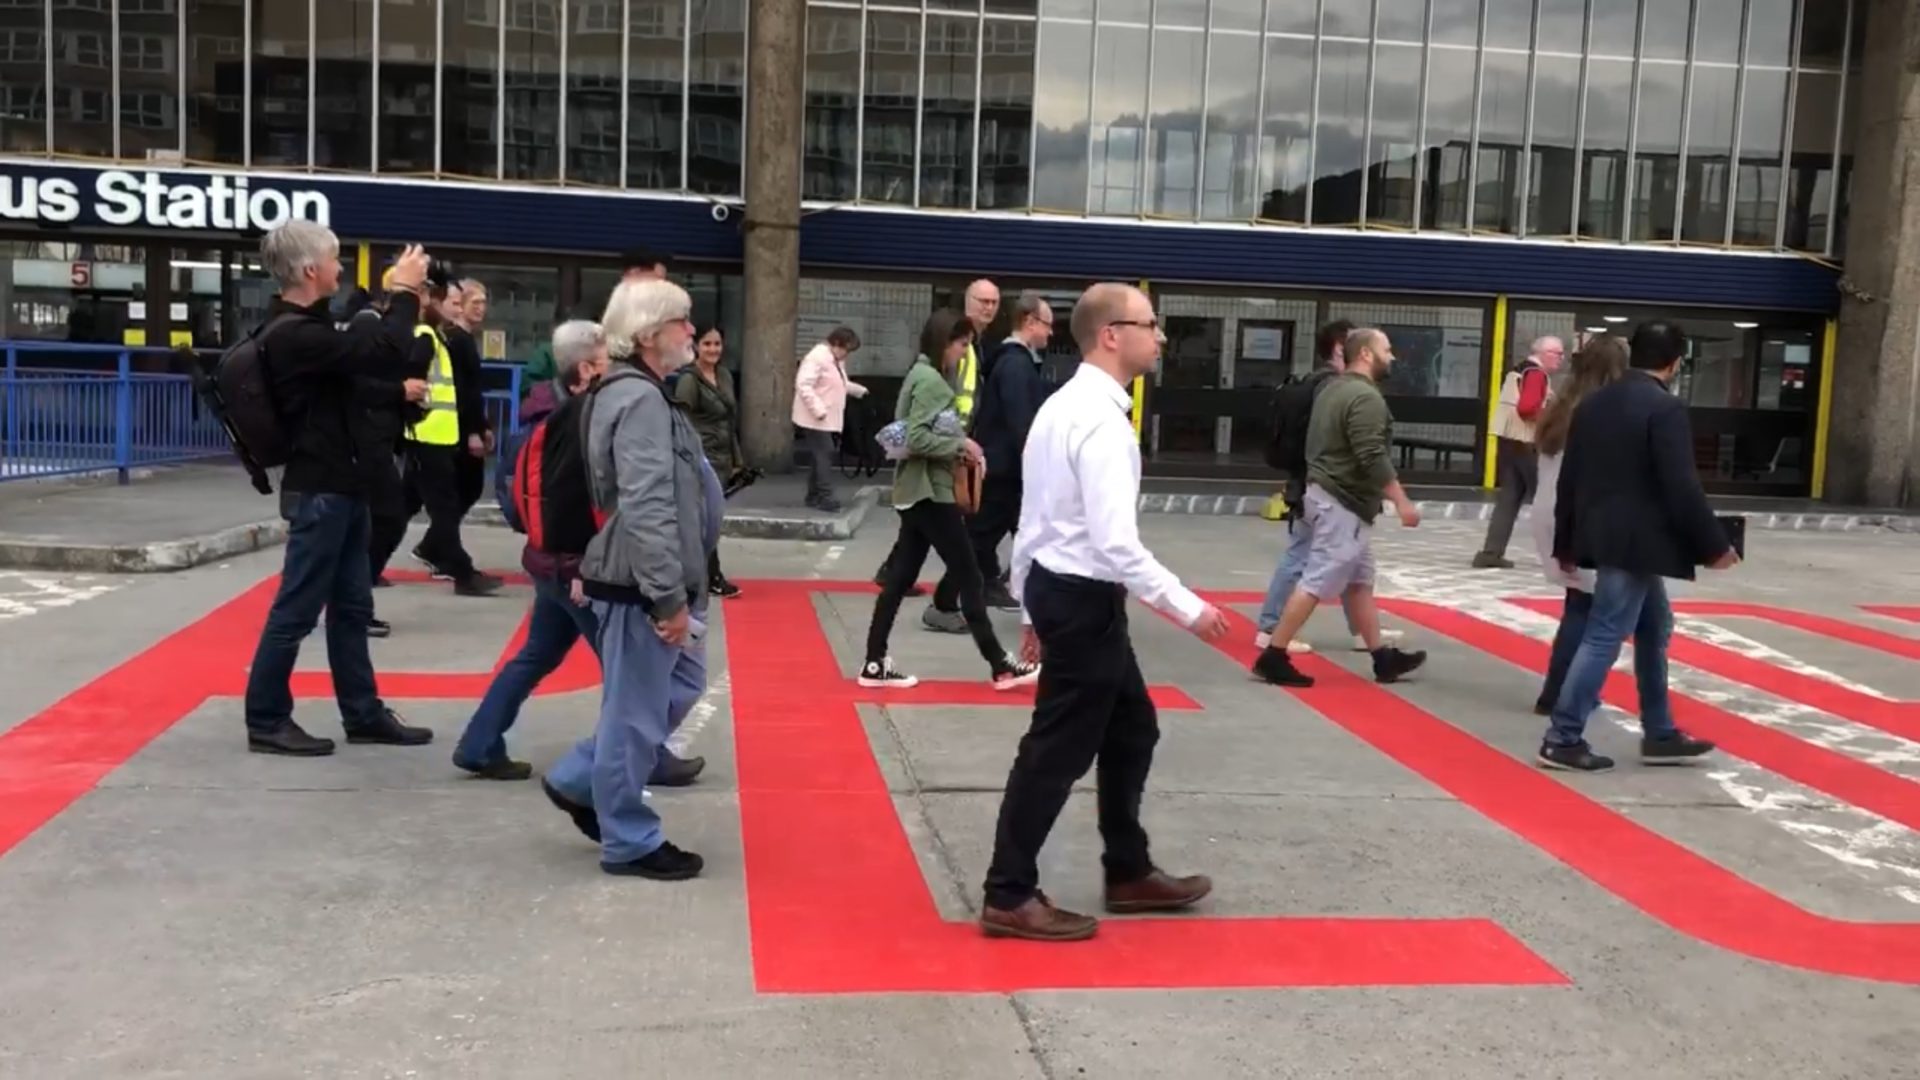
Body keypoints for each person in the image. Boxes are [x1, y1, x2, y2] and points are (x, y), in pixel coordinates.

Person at [978, 283, 1228, 942]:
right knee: (1056, 751)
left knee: (1131, 729)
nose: (1161, 336)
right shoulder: (1100, 423)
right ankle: (1009, 891)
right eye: (1150, 325)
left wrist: (1030, 602)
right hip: (1084, 600)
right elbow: (1116, 544)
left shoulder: (1063, 407)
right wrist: (1189, 608)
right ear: (1111, 335)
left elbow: (1035, 519)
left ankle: (1128, 869)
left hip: (1068, 595)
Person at [455, 320, 707, 785]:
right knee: (631, 672)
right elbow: (593, 502)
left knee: (536, 655)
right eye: (609, 360)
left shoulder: (535, 417)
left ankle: (479, 742)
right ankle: (643, 755)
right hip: (580, 569)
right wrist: (582, 564)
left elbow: (513, 500)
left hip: (546, 560)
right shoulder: (583, 419)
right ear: (587, 368)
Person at [541, 279, 716, 879]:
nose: (692, 332)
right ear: (648, 334)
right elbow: (644, 504)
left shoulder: (637, 391)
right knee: (635, 715)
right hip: (645, 585)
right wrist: (666, 596)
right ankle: (630, 839)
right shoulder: (637, 398)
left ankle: (578, 780)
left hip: (656, 581)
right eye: (683, 321)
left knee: (673, 689)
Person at [241, 222, 434, 757]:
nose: (341, 267)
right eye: (333, 259)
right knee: (296, 610)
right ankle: (266, 719)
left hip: (345, 486)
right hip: (321, 488)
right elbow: (385, 351)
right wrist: (404, 292)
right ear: (310, 271)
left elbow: (366, 370)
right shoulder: (295, 335)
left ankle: (364, 713)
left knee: (351, 607)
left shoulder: (312, 328)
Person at [1540, 322, 1733, 773]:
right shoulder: (1664, 409)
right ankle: (1563, 736)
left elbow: (1572, 479)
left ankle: (1660, 732)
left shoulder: (1592, 404)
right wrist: (1714, 546)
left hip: (1604, 536)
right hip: (1639, 543)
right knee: (1605, 633)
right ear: (1675, 362)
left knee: (1654, 626)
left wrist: (1566, 539)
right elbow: (1681, 485)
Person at [858, 310, 1041, 692]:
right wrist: (961, 444)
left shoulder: (919, 374)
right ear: (945, 342)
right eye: (962, 344)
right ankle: (1000, 664)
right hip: (931, 492)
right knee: (970, 575)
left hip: (916, 491)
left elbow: (911, 434)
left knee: (901, 579)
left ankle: (875, 662)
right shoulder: (934, 383)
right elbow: (920, 439)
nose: (965, 352)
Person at [1249, 328, 1428, 688]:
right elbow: (1371, 455)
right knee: (1317, 579)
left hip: (1325, 494)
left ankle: (1382, 658)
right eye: (1387, 349)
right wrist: (1402, 501)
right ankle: (1274, 654)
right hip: (1342, 502)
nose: (1392, 357)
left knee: (1360, 580)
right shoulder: (1365, 398)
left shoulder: (1332, 389)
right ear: (1365, 354)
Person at [928, 291, 1054, 620]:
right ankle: (943, 603)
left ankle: (1017, 594)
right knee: (977, 540)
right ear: (1029, 322)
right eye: (1047, 324)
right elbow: (1020, 422)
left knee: (1011, 538)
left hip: (1005, 469)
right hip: (1004, 472)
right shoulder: (1015, 364)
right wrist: (1038, 465)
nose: (1051, 332)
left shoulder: (1013, 361)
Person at [875, 279, 1002, 593]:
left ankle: (896, 579)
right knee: (949, 535)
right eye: (981, 301)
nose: (988, 308)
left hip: (948, 446)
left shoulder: (974, 345)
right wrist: (959, 440)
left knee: (919, 531)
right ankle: (944, 601)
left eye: (994, 302)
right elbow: (945, 397)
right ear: (967, 301)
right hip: (945, 445)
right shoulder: (958, 350)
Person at [1528, 335, 1627, 715]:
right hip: (1583, 515)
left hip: (1551, 510)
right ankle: (1566, 694)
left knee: (1578, 605)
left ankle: (1557, 689)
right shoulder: (1604, 412)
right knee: (1596, 613)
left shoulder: (1561, 406)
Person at [397, 282, 501, 596]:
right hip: (432, 435)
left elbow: (465, 391)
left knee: (410, 503)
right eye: (457, 303)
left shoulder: (447, 338)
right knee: (444, 504)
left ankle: (374, 560)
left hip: (440, 434)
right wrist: (473, 429)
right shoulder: (436, 338)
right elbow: (449, 389)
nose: (464, 309)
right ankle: (459, 569)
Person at [523, 248, 673, 389]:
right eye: (658, 280)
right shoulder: (594, 312)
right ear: (634, 273)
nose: (662, 288)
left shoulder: (655, 325)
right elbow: (552, 357)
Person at [1474, 336, 1564, 568]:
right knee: (1548, 497)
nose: (1561, 359)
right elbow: (1527, 408)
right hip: (1528, 442)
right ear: (1544, 353)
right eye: (1558, 353)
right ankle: (1561, 554)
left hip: (1509, 441)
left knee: (1509, 498)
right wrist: (1552, 422)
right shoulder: (1536, 375)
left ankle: (1491, 552)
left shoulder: (1517, 371)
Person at [675, 325, 745, 599]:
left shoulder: (724, 375)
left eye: (717, 344)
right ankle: (710, 576)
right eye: (707, 344)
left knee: (710, 519)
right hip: (701, 457)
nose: (713, 349)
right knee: (707, 520)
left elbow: (729, 419)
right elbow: (681, 421)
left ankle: (698, 574)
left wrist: (738, 459)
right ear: (695, 346)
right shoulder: (689, 381)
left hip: (724, 455)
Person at [793, 326, 867, 513]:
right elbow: (803, 384)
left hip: (824, 418)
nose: (847, 355)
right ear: (836, 344)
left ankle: (814, 495)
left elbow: (839, 384)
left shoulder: (834, 360)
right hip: (816, 418)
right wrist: (818, 410)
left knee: (820, 455)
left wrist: (860, 391)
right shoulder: (817, 358)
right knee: (825, 453)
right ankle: (824, 496)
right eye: (847, 349)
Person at [446, 278, 493, 517]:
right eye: (475, 302)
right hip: (459, 429)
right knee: (466, 487)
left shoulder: (466, 339)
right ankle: (438, 543)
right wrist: (473, 432)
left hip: (467, 426)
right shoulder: (456, 340)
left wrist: (483, 426)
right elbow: (462, 390)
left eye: (484, 303)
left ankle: (440, 543)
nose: (480, 308)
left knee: (468, 487)